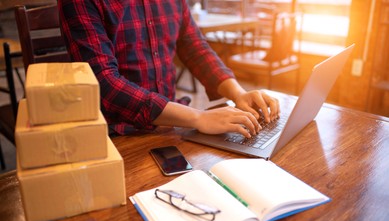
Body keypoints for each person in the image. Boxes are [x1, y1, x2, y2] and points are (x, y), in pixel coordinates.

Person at [58, 0, 280, 139]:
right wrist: (198, 118)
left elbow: (194, 47)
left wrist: (238, 93)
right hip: (113, 134)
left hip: (170, 126)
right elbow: (103, 82)